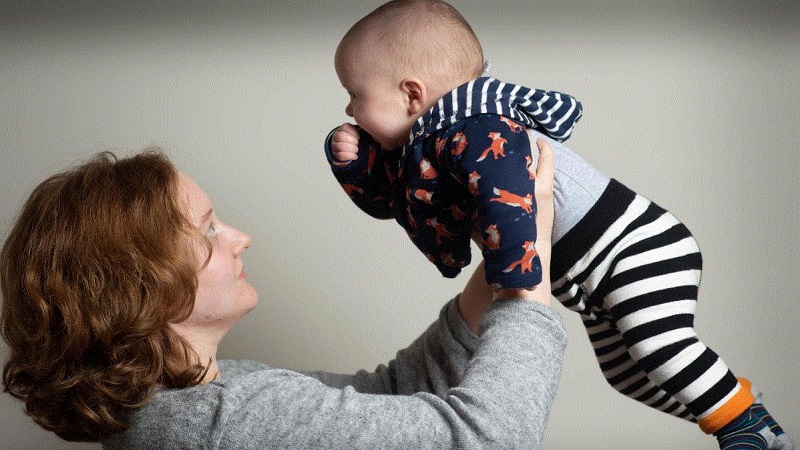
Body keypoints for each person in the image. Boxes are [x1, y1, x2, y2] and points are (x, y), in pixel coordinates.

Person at [323, 1, 792, 448]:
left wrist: (516, 281)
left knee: (658, 346)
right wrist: (357, 166)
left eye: (355, 95)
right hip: (590, 275)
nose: (349, 110)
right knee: (625, 375)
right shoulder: (430, 149)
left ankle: (743, 423)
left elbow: (508, 199)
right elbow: (402, 204)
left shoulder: (478, 127)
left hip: (632, 247)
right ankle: (732, 403)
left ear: (411, 94)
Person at [0, 141, 566, 448]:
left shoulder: (200, 397)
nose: (239, 238)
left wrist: (497, 264)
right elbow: (489, 440)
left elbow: (391, 395)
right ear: (138, 286)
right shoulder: (222, 422)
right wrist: (527, 256)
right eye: (207, 230)